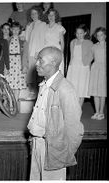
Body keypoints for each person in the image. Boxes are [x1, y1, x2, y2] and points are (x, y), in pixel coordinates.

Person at [27, 46, 84, 180]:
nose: (36, 63)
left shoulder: (65, 89)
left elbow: (75, 130)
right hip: (37, 144)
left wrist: (62, 155)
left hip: (53, 151)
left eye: (41, 60)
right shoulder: (44, 85)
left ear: (53, 62)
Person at [66, 24, 93, 107]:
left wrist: (86, 64)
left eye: (81, 33)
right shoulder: (72, 42)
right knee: (73, 88)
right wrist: (69, 66)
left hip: (83, 67)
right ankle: (73, 108)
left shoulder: (89, 42)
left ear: (85, 33)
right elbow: (71, 55)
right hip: (73, 66)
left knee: (82, 88)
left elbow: (91, 55)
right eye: (77, 33)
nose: (79, 35)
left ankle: (79, 110)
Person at [25, 5, 47, 99]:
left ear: (39, 14)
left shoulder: (42, 24)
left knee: (37, 74)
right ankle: (31, 93)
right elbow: (26, 39)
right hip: (29, 52)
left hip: (37, 52)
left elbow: (42, 39)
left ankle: (37, 95)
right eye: (32, 13)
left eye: (35, 13)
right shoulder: (29, 25)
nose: (33, 15)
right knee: (30, 74)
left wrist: (38, 52)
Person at [5, 22, 27, 102]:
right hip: (10, 63)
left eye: (17, 29)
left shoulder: (23, 41)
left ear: (20, 30)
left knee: (18, 85)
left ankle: (15, 102)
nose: (15, 31)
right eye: (13, 29)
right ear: (11, 30)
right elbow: (5, 55)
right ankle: (10, 102)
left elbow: (25, 55)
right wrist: (5, 66)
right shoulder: (7, 41)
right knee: (9, 84)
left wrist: (25, 66)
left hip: (18, 64)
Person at [88, 27, 107, 120]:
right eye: (98, 35)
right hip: (95, 69)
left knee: (102, 92)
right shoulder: (94, 46)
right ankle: (96, 112)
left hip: (103, 69)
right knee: (95, 92)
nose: (99, 37)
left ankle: (101, 112)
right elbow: (90, 58)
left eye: (101, 35)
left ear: (105, 35)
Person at [44, 8, 66, 74]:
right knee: (47, 71)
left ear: (56, 16)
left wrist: (61, 53)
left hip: (56, 51)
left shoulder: (59, 27)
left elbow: (62, 42)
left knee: (56, 71)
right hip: (46, 51)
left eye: (53, 15)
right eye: (49, 15)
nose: (51, 17)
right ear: (47, 16)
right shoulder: (44, 26)